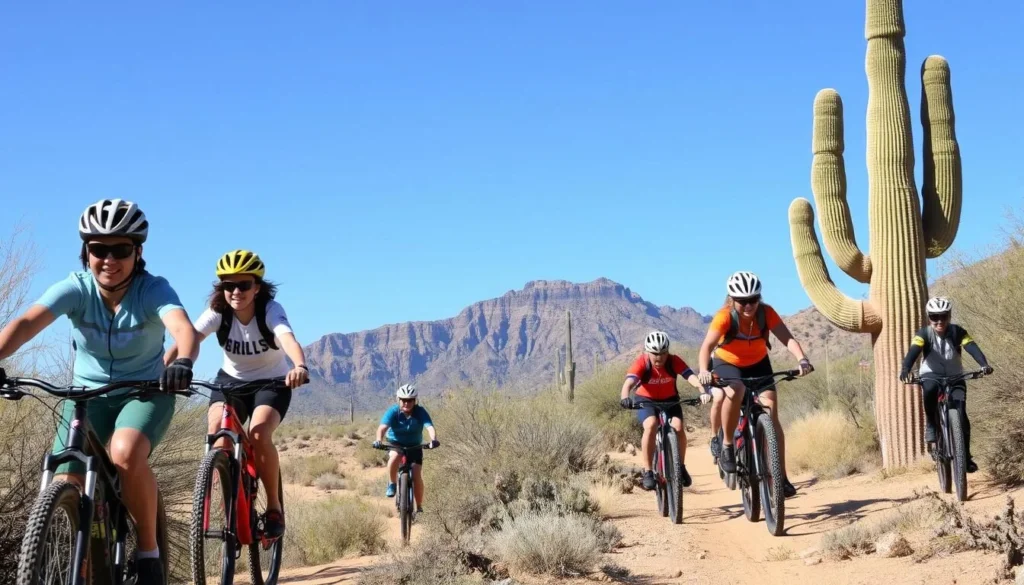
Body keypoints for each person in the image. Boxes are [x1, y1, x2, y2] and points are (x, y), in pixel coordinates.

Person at [0, 199, 198, 585]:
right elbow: (25, 323)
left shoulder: (152, 289)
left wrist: (183, 363)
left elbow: (183, 329)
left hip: (144, 392)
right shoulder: (76, 289)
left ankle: (148, 553)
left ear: (138, 252)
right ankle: (85, 564)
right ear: (85, 252)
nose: (109, 258)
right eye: (98, 249)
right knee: (65, 480)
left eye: (121, 249)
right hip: (86, 396)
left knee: (124, 454)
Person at [165, 249, 309, 539]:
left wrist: (300, 365)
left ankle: (274, 508)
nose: (236, 291)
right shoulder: (218, 311)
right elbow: (189, 337)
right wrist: (165, 368)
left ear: (256, 287)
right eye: (228, 285)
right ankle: (228, 490)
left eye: (243, 285)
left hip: (271, 383)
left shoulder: (269, 310)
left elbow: (287, 338)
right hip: (230, 382)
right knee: (216, 429)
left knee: (257, 433)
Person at [697, 271, 813, 498]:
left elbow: (787, 338)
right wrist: (703, 371)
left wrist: (802, 359)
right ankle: (728, 445)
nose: (749, 305)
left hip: (759, 363)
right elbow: (706, 347)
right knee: (736, 390)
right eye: (742, 301)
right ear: (732, 299)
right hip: (727, 364)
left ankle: (780, 476)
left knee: (770, 409)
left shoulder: (766, 313)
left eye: (753, 299)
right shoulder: (724, 317)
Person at [899, 296, 993, 473]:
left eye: (943, 316)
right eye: (934, 317)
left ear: (949, 316)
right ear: (929, 317)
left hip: (955, 375)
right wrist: (905, 369)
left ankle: (966, 458)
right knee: (929, 389)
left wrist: (984, 364)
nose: (939, 321)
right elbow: (914, 352)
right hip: (931, 374)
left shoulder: (958, 332)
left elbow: (971, 346)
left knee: (962, 415)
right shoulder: (923, 334)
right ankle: (932, 425)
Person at [620, 330, 707, 491]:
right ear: (648, 352)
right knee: (651, 425)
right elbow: (629, 383)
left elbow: (690, 376)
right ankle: (648, 471)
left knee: (679, 427)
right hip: (646, 401)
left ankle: (680, 466)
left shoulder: (674, 361)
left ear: (668, 352)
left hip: (670, 400)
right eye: (654, 353)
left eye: (663, 353)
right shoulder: (642, 363)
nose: (659, 357)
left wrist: (702, 390)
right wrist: (625, 396)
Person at [373, 383, 439, 513]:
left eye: (410, 400)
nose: (406, 403)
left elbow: (429, 427)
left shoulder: (420, 411)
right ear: (399, 400)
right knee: (395, 456)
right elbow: (382, 428)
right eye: (403, 400)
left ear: (414, 401)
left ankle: (419, 506)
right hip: (395, 443)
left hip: (415, 446)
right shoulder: (393, 411)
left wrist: (433, 440)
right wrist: (379, 440)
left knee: (416, 475)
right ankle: (392, 483)